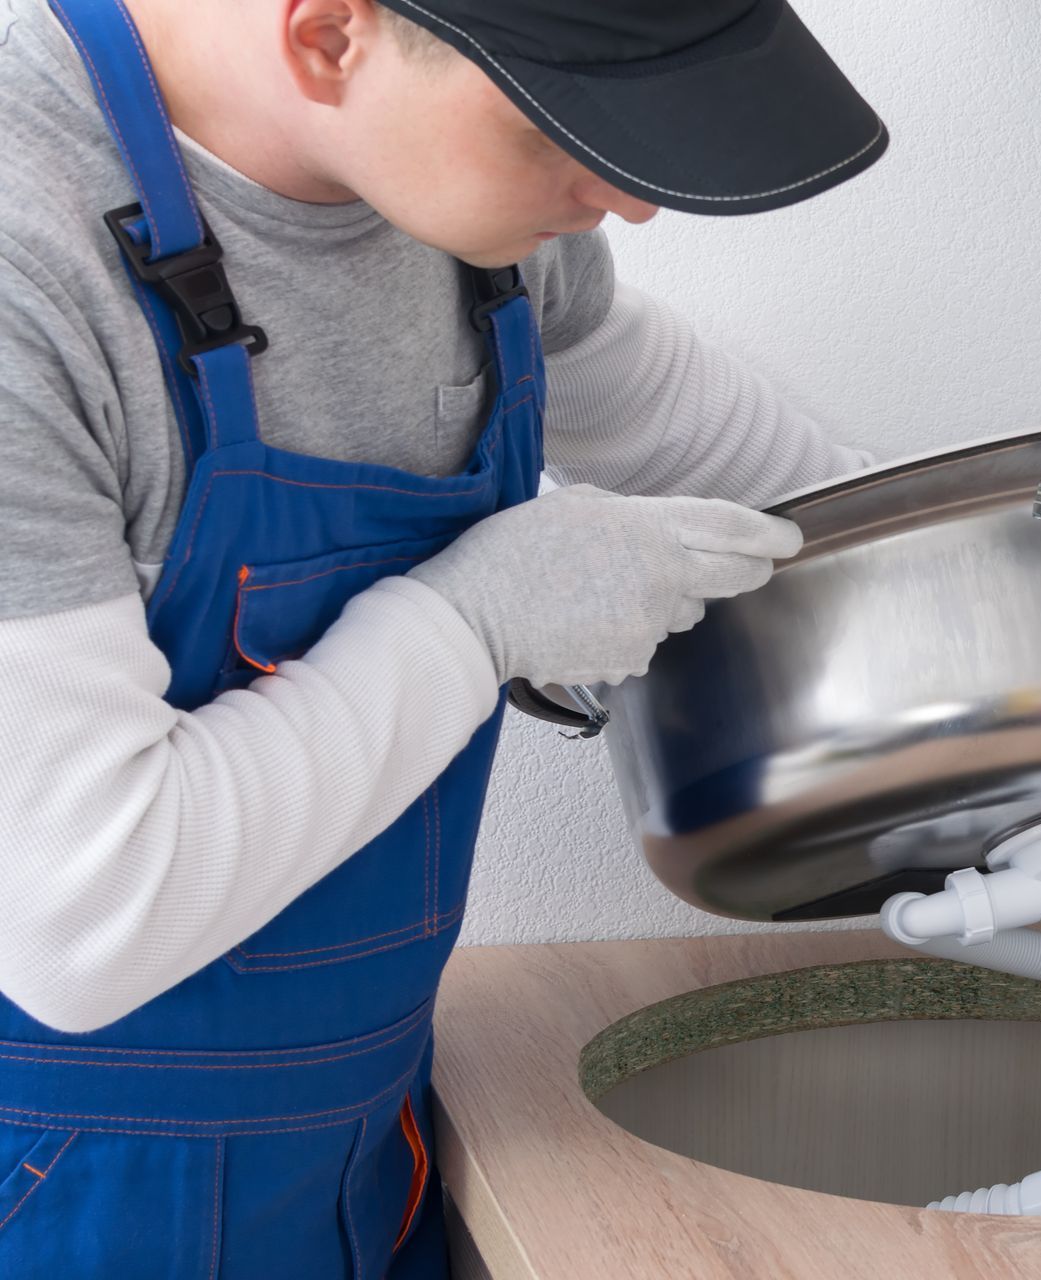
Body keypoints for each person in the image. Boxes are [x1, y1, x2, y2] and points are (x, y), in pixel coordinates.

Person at [0, 0, 887, 1272]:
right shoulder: (25, 263)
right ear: (327, 37)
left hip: (362, 1144)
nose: (632, 201)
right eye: (568, 124)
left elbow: (686, 423)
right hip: (67, 1192)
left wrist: (973, 565)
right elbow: (90, 918)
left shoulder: (475, 213)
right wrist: (470, 622)